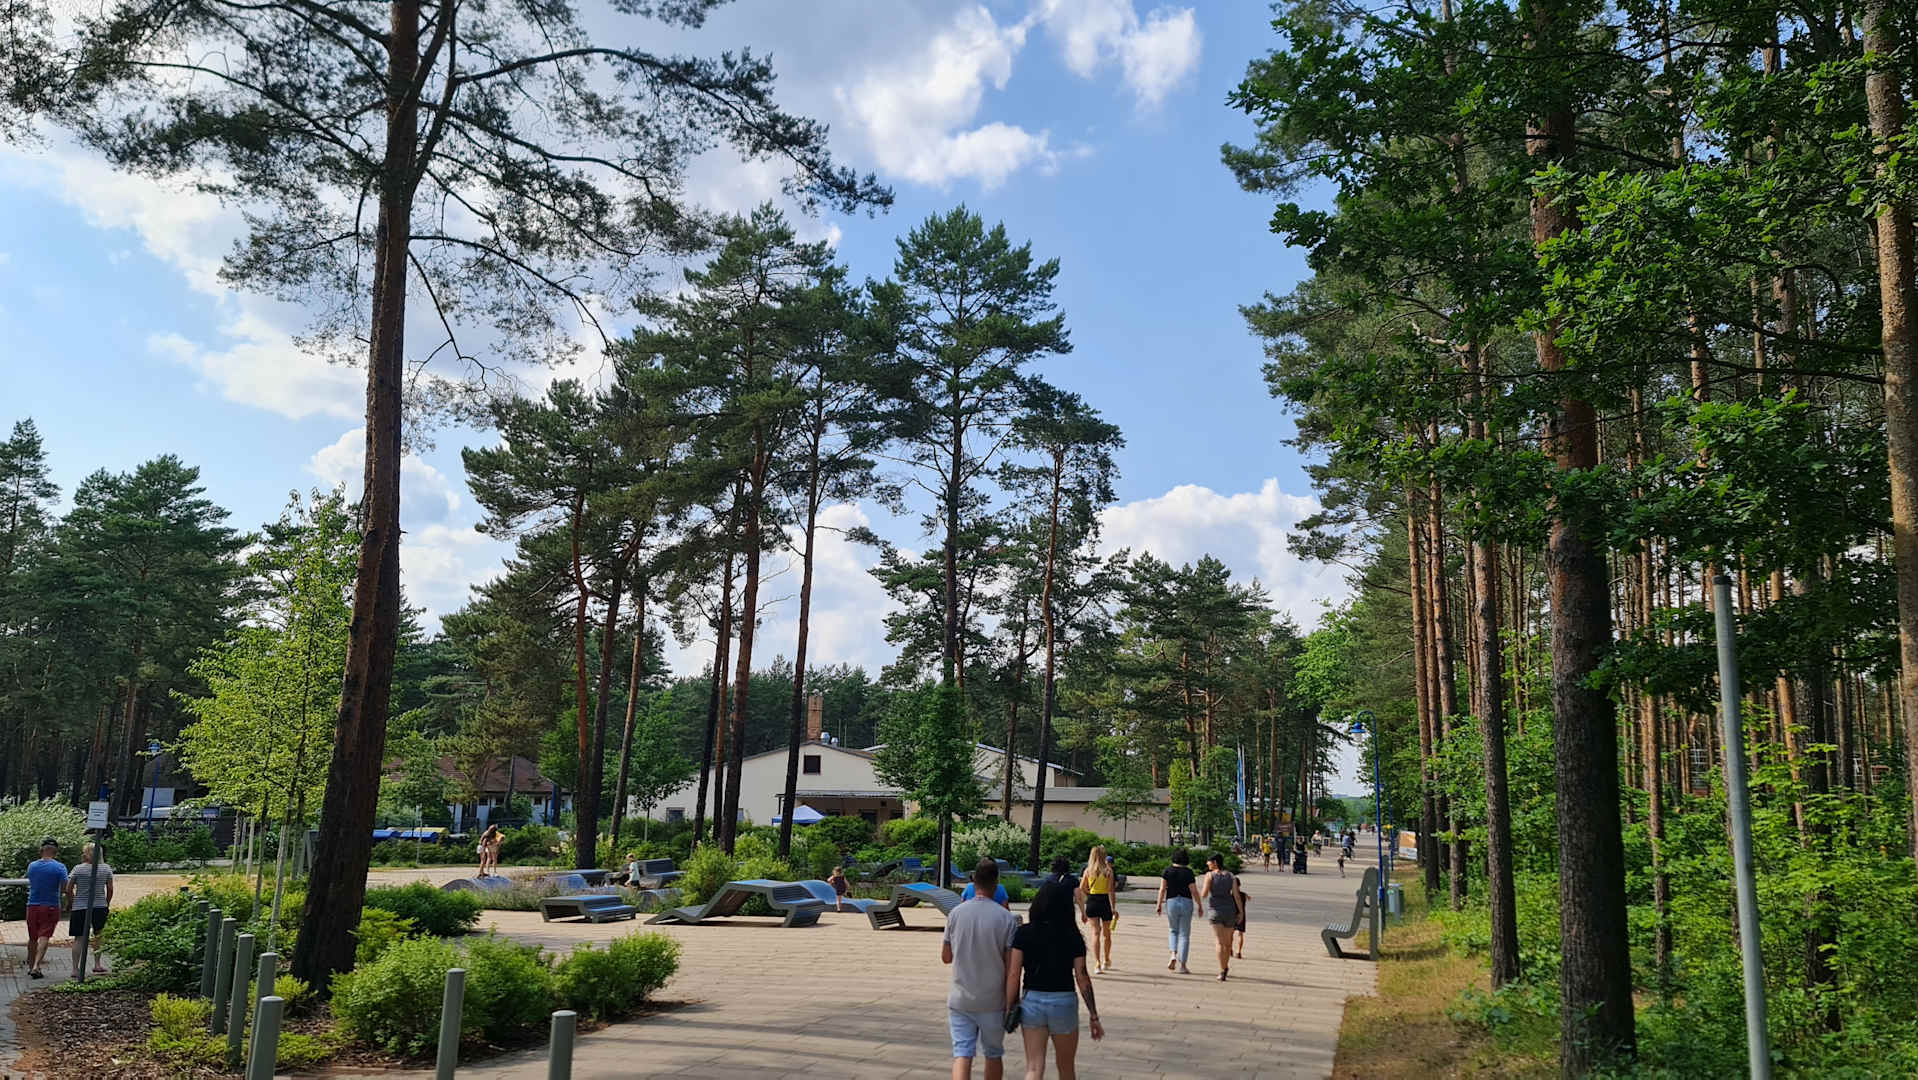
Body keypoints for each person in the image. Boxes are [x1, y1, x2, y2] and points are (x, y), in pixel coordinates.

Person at [1004, 882, 1103, 1079]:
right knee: (1066, 1067)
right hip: (1064, 1002)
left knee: (1034, 1067)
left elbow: (1014, 974)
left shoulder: (1024, 933)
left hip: (1032, 1002)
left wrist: (1009, 1007)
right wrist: (1093, 1015)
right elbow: (1082, 976)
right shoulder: (1073, 936)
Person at [943, 858, 1020, 1080]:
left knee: (962, 1053)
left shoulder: (956, 914)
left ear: (973, 881)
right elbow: (1011, 967)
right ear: (996, 884)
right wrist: (1011, 1003)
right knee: (993, 1054)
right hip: (993, 1000)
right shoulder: (1006, 919)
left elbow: (946, 957)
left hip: (960, 998)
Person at [63, 842, 114, 977]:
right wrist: (107, 903)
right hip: (100, 906)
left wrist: (71, 902)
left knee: (79, 938)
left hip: (80, 907)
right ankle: (97, 964)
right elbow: (110, 889)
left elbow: (68, 889)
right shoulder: (106, 869)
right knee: (98, 935)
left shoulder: (78, 869)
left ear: (86, 854)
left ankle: (75, 969)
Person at [24, 838, 67, 980]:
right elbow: (64, 887)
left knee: (32, 937)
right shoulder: (60, 867)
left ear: (41, 850)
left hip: (32, 905)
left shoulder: (32, 866)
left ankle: (31, 966)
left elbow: (32, 881)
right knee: (44, 936)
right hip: (51, 905)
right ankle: (36, 966)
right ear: (55, 851)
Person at [1196, 853, 1243, 981]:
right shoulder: (1231, 876)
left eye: (1209, 861)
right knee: (1227, 944)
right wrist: (1241, 912)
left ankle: (1222, 970)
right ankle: (1225, 967)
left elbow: (1204, 894)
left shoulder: (1209, 875)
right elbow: (1236, 896)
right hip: (1230, 911)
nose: (1207, 864)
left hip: (1215, 911)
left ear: (1215, 862)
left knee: (1219, 942)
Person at [1154, 848, 1197, 974]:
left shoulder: (1167, 871)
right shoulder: (1189, 872)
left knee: (1173, 930)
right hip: (1186, 902)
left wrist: (1159, 904)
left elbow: (1162, 889)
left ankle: (1173, 954)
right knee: (1184, 934)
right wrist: (1200, 905)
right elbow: (1194, 890)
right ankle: (1183, 965)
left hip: (1171, 901)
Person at [1075, 846, 1117, 974]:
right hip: (1105, 902)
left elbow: (1082, 888)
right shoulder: (1108, 871)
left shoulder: (1088, 871)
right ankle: (1106, 959)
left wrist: (1089, 893)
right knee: (1107, 934)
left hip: (1092, 901)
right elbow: (1111, 891)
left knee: (1095, 933)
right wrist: (1113, 908)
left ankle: (1097, 963)